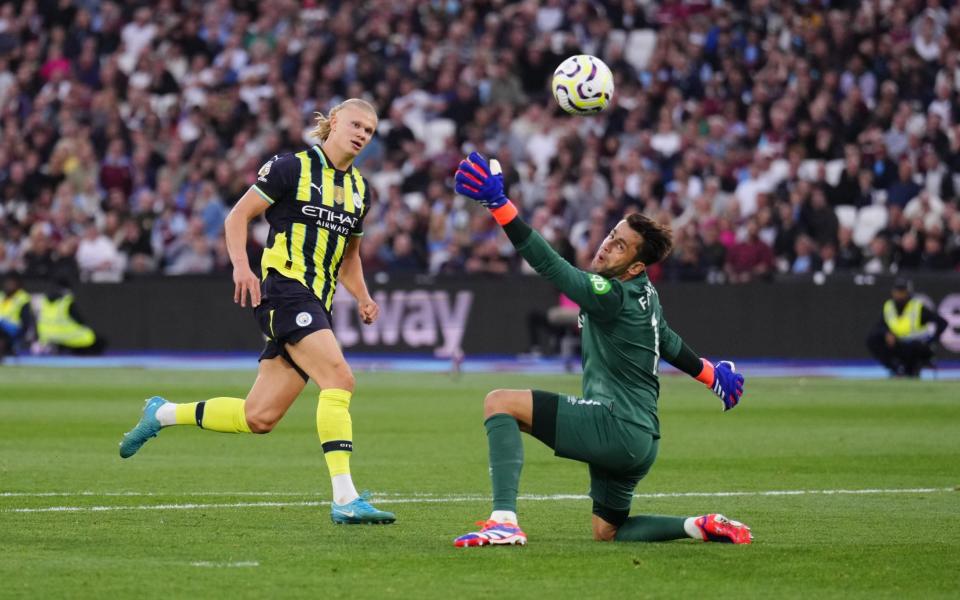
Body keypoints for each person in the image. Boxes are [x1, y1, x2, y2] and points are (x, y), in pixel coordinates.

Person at [451, 153, 750, 547]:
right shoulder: (647, 295)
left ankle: (504, 521)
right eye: (612, 235)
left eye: (621, 246)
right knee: (608, 532)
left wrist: (500, 206)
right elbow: (669, 342)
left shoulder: (610, 294)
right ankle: (699, 525)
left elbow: (553, 268)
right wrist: (712, 376)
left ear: (635, 267)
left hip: (615, 426)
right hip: (640, 442)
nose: (607, 246)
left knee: (500, 403)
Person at [119, 99, 396, 525]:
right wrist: (242, 266)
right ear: (334, 123)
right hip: (284, 291)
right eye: (356, 124)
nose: (362, 134)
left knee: (259, 417)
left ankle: (162, 413)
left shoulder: (361, 190)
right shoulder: (291, 167)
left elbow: (349, 256)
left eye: (370, 131)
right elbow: (238, 216)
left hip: (315, 300)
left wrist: (362, 296)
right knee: (339, 378)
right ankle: (345, 496)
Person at [866, 278, 948, 377]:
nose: (899, 294)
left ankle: (910, 371)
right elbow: (880, 326)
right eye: (897, 291)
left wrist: (931, 341)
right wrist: (886, 333)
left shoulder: (917, 307)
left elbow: (942, 323)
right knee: (873, 339)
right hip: (898, 345)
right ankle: (896, 370)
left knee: (913, 349)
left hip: (917, 347)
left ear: (908, 293)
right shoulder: (889, 306)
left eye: (902, 292)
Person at [35, 278, 105, 355]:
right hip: (67, 337)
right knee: (95, 339)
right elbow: (80, 321)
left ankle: (51, 347)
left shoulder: (43, 300)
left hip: (47, 337)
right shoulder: (66, 301)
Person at [0, 272, 35, 360]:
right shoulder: (1, 295)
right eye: (7, 282)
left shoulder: (22, 297)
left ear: (17, 284)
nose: (9, 285)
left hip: (15, 329)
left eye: (11, 282)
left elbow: (26, 320)